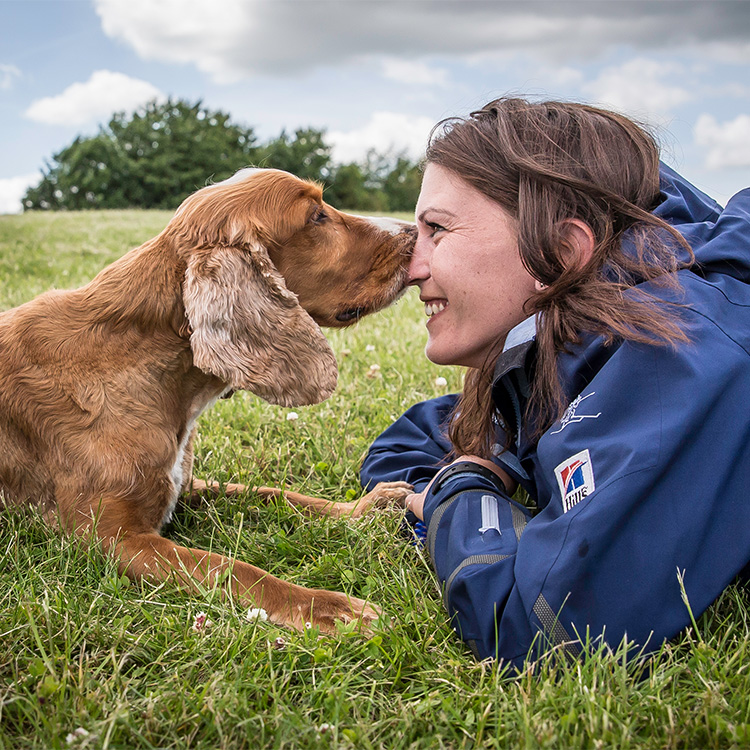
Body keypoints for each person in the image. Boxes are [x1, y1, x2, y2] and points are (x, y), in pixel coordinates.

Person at [360, 97, 750, 667]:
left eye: (436, 231)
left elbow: (547, 628)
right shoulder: (573, 338)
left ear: (563, 250)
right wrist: (482, 459)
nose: (411, 266)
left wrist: (462, 492)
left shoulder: (684, 344)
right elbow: (412, 440)